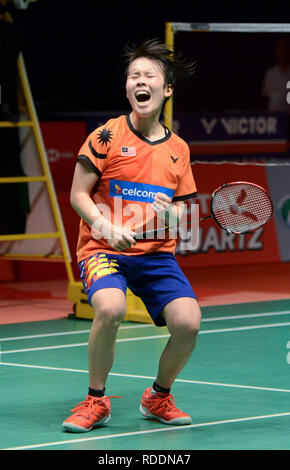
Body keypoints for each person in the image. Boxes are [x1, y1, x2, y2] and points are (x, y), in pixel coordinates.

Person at [62, 39, 201, 433]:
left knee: (189, 323)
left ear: (167, 89)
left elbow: (185, 209)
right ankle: (95, 400)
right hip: (103, 247)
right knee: (109, 308)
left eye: (149, 76)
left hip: (156, 255)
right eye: (133, 76)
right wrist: (105, 226)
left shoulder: (178, 149)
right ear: (127, 88)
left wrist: (170, 214)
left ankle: (158, 395)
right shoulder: (106, 135)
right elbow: (77, 194)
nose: (140, 81)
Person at [262, 38, 290, 113]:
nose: (283, 53)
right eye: (281, 50)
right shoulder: (270, 74)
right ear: (277, 52)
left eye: (286, 50)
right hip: (274, 115)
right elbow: (266, 96)